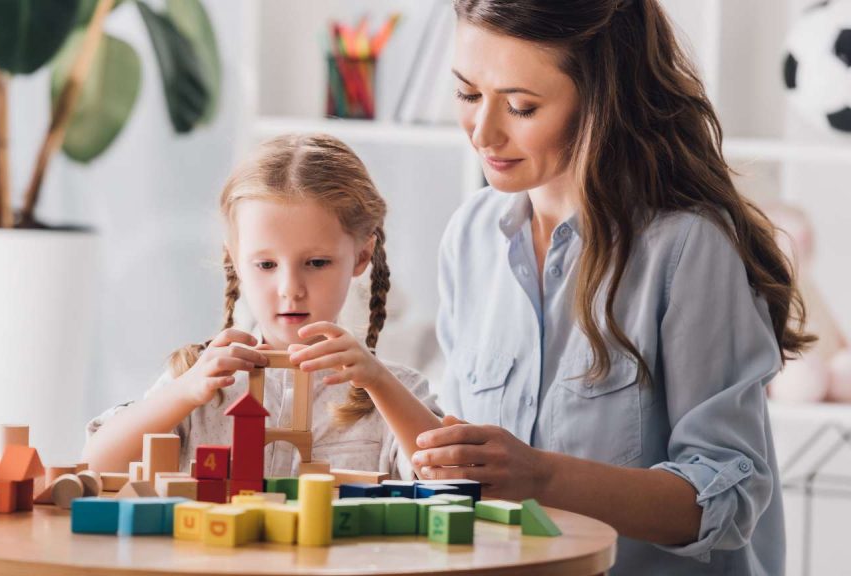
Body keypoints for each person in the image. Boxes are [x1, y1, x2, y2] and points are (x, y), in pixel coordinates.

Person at [412, 1, 813, 573]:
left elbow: (726, 501)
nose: (482, 133)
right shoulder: (470, 236)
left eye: (522, 106)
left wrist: (542, 476)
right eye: (468, 95)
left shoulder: (685, 248)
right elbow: (461, 459)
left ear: (600, 98)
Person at [82, 133, 442, 480]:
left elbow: (448, 477)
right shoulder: (197, 379)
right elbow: (96, 465)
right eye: (266, 265)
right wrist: (186, 392)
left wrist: (378, 382)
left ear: (361, 256)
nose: (290, 289)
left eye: (316, 263)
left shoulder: (396, 391)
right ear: (235, 260)